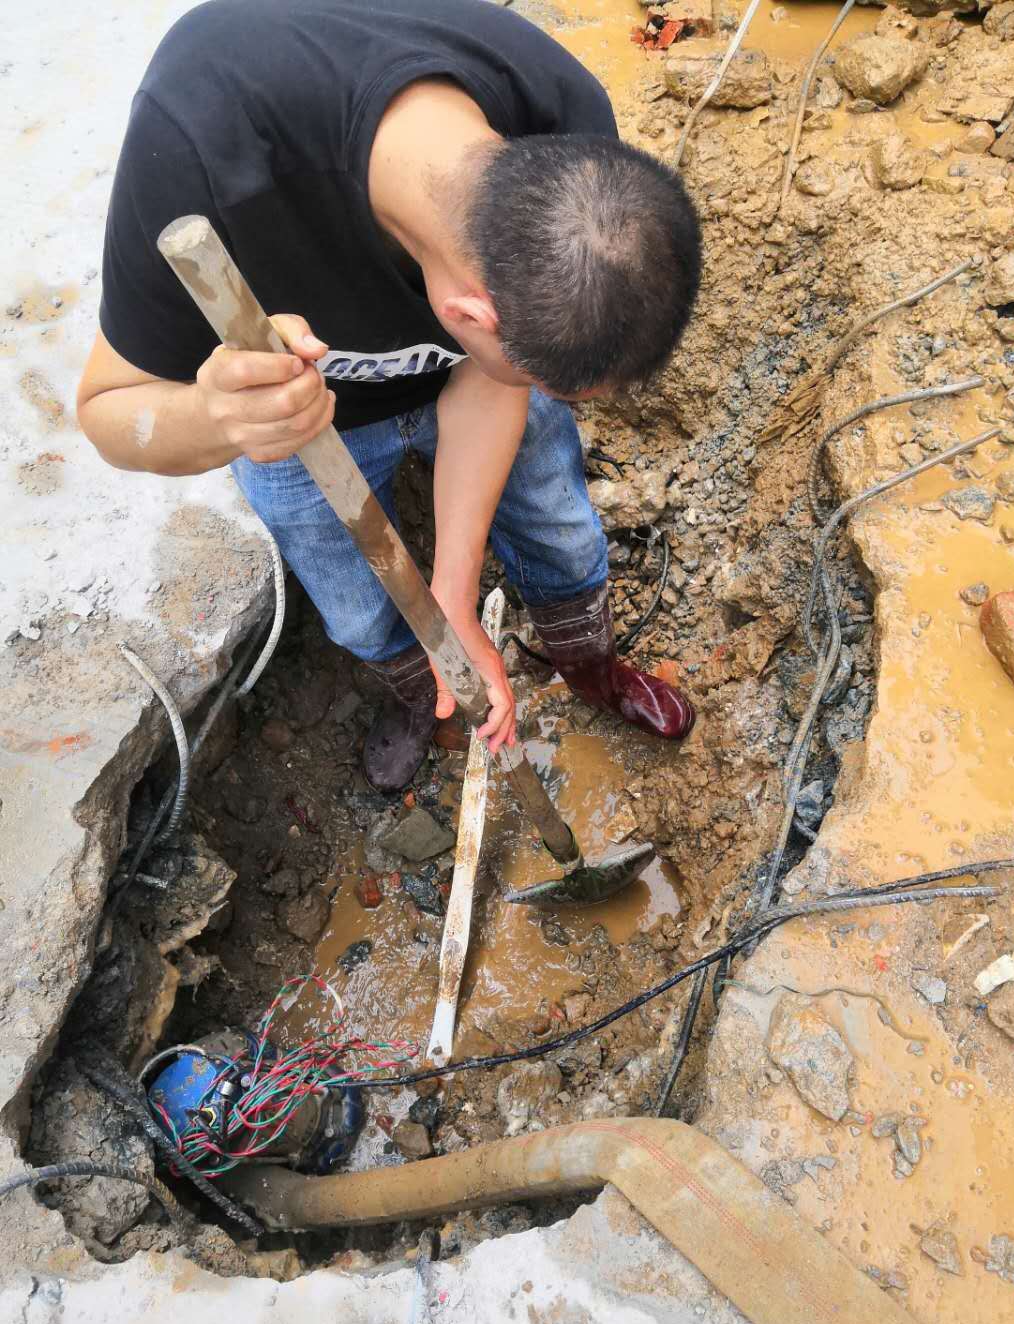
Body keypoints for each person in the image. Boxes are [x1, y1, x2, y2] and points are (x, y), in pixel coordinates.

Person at [78, 0, 702, 792]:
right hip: (298, 419)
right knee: (354, 596)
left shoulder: (565, 134)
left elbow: (491, 377)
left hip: (466, 366)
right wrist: (219, 418)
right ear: (470, 316)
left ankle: (588, 662)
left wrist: (453, 592)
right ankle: (420, 695)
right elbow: (105, 412)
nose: (565, 400)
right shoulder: (200, 145)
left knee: (559, 525)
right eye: (549, 381)